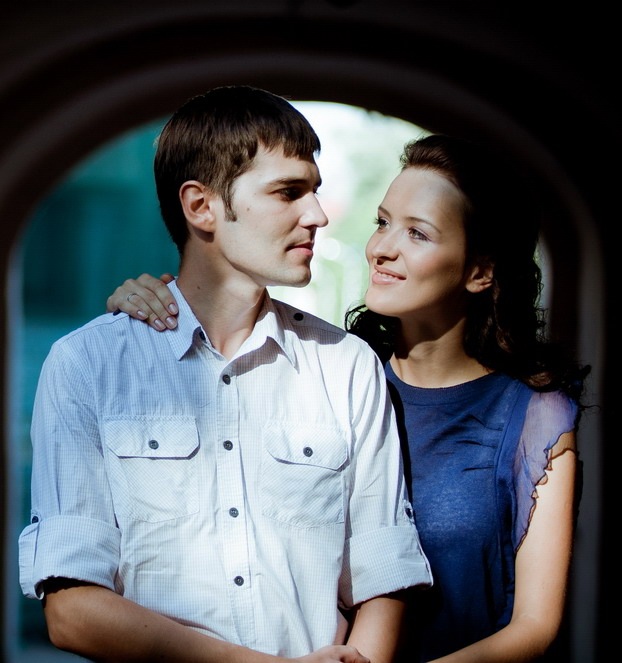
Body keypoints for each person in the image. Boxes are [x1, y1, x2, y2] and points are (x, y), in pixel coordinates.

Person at [109, 133, 590, 662]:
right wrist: (156, 303)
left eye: (417, 233)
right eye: (383, 222)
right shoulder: (333, 373)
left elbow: (535, 626)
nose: (382, 248)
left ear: (481, 272)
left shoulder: (534, 417)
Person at [18, 85, 433, 663]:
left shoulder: (347, 365)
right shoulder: (87, 365)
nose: (317, 214)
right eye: (288, 192)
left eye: (314, 190)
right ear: (201, 207)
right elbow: (71, 611)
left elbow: (383, 571)